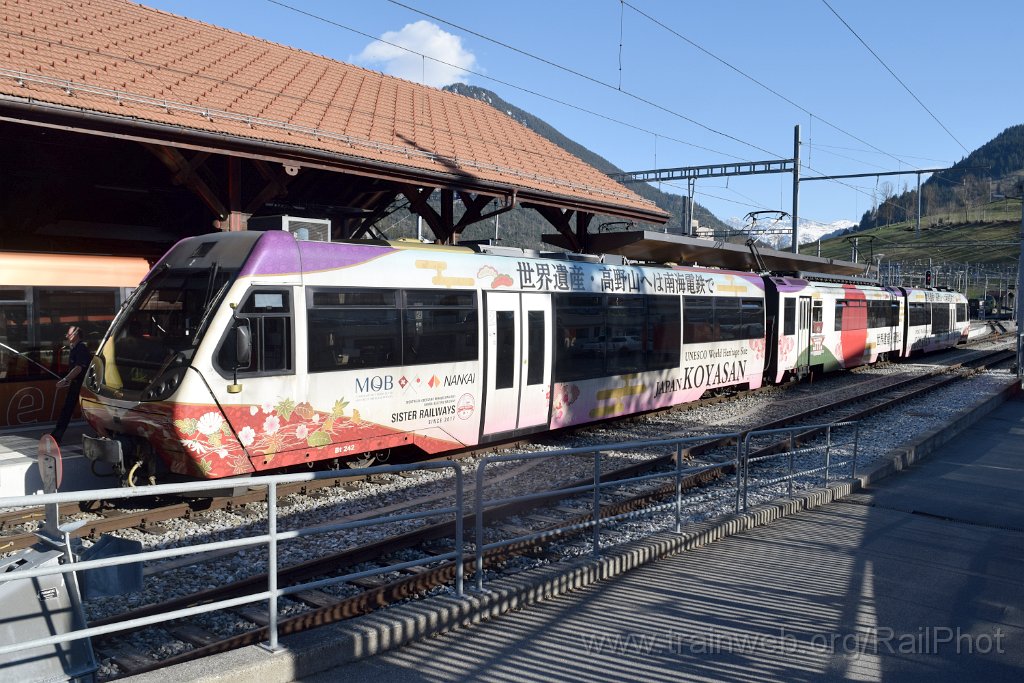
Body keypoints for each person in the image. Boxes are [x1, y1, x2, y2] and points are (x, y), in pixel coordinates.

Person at [51, 325, 91, 445]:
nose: (67, 336)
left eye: (69, 334)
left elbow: (78, 368)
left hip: (83, 385)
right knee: (67, 409)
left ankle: (56, 436)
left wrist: (65, 379)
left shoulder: (81, 348)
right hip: (76, 384)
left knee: (77, 410)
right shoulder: (74, 348)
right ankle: (56, 435)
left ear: (76, 334)